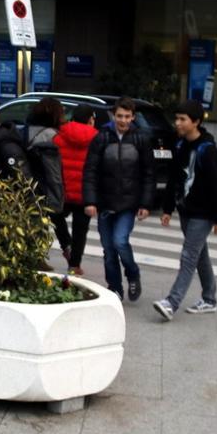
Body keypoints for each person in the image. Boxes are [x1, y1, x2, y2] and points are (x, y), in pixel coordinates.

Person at [154, 100, 217, 321]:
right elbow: (174, 179)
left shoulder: (207, 150)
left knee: (188, 256)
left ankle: (171, 302)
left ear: (195, 122)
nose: (178, 123)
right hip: (186, 210)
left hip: (203, 213)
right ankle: (209, 298)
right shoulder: (180, 145)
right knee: (199, 254)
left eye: (183, 119)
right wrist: (167, 208)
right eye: (177, 118)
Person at [83, 97, 155, 302]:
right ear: (114, 116)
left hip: (128, 203)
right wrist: (90, 201)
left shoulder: (140, 139)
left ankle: (132, 274)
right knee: (108, 249)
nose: (123, 120)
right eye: (119, 116)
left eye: (127, 117)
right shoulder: (102, 138)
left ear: (133, 117)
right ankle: (114, 287)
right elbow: (90, 170)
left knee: (120, 241)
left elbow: (149, 173)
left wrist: (145, 204)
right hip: (105, 201)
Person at [54, 105, 98, 275]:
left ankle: (66, 244)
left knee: (56, 217)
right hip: (85, 193)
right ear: (90, 119)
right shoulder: (96, 138)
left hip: (63, 190)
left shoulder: (60, 135)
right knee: (81, 230)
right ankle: (74, 265)